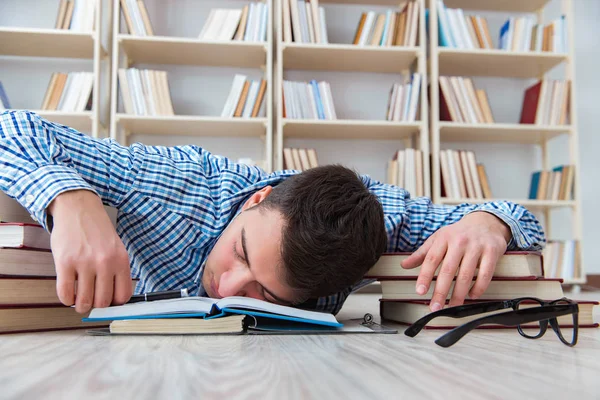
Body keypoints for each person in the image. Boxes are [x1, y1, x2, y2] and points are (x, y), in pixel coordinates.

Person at [0, 110, 545, 315]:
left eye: (267, 293)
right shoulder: (178, 185)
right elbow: (11, 128)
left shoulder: (374, 222)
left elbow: (518, 221)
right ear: (257, 199)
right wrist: (71, 198)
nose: (230, 287)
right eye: (240, 252)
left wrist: (486, 223)